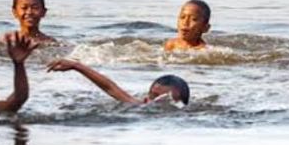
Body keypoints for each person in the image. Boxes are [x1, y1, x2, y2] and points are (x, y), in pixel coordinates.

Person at [46, 59, 190, 105]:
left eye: (164, 100)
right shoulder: (140, 105)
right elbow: (109, 87)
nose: (151, 102)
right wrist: (76, 66)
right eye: (152, 96)